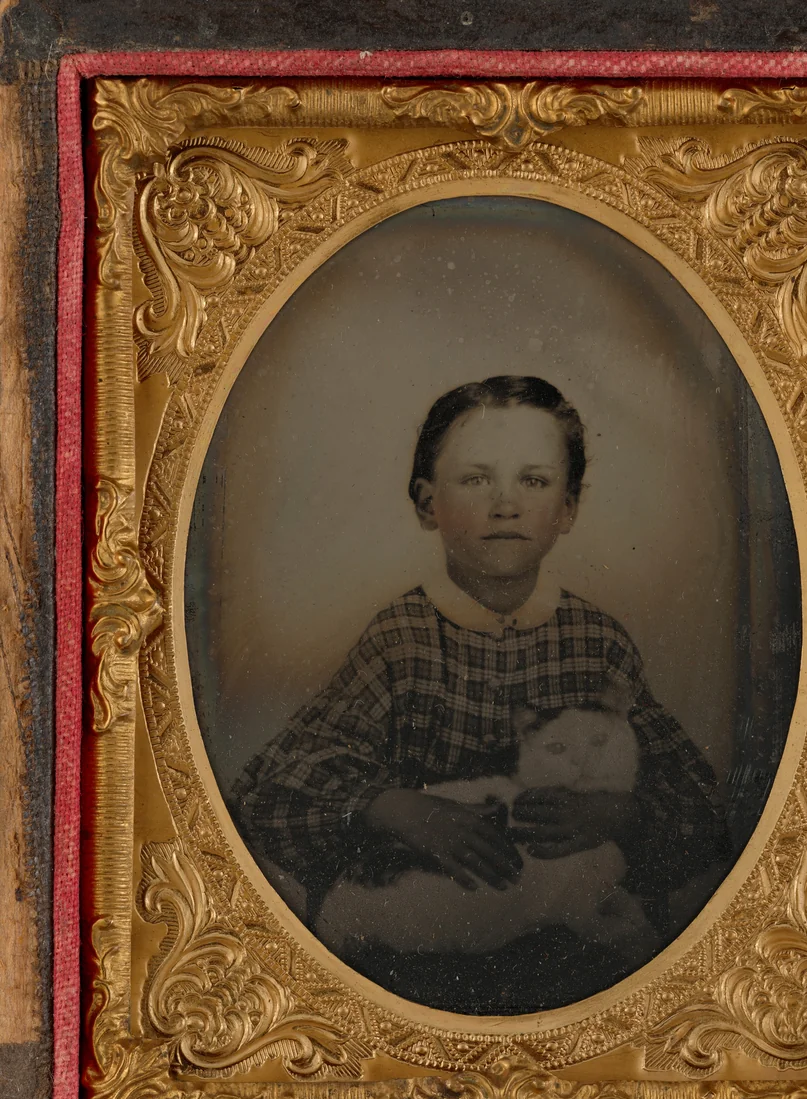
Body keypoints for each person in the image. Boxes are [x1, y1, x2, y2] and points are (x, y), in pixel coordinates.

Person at [231, 375, 726, 1013]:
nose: (505, 505)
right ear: (427, 503)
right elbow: (270, 792)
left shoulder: (596, 643)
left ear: (568, 507)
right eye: (475, 479)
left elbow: (699, 807)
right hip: (422, 941)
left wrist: (622, 815)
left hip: (567, 946)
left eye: (535, 481)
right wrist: (391, 808)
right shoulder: (402, 640)